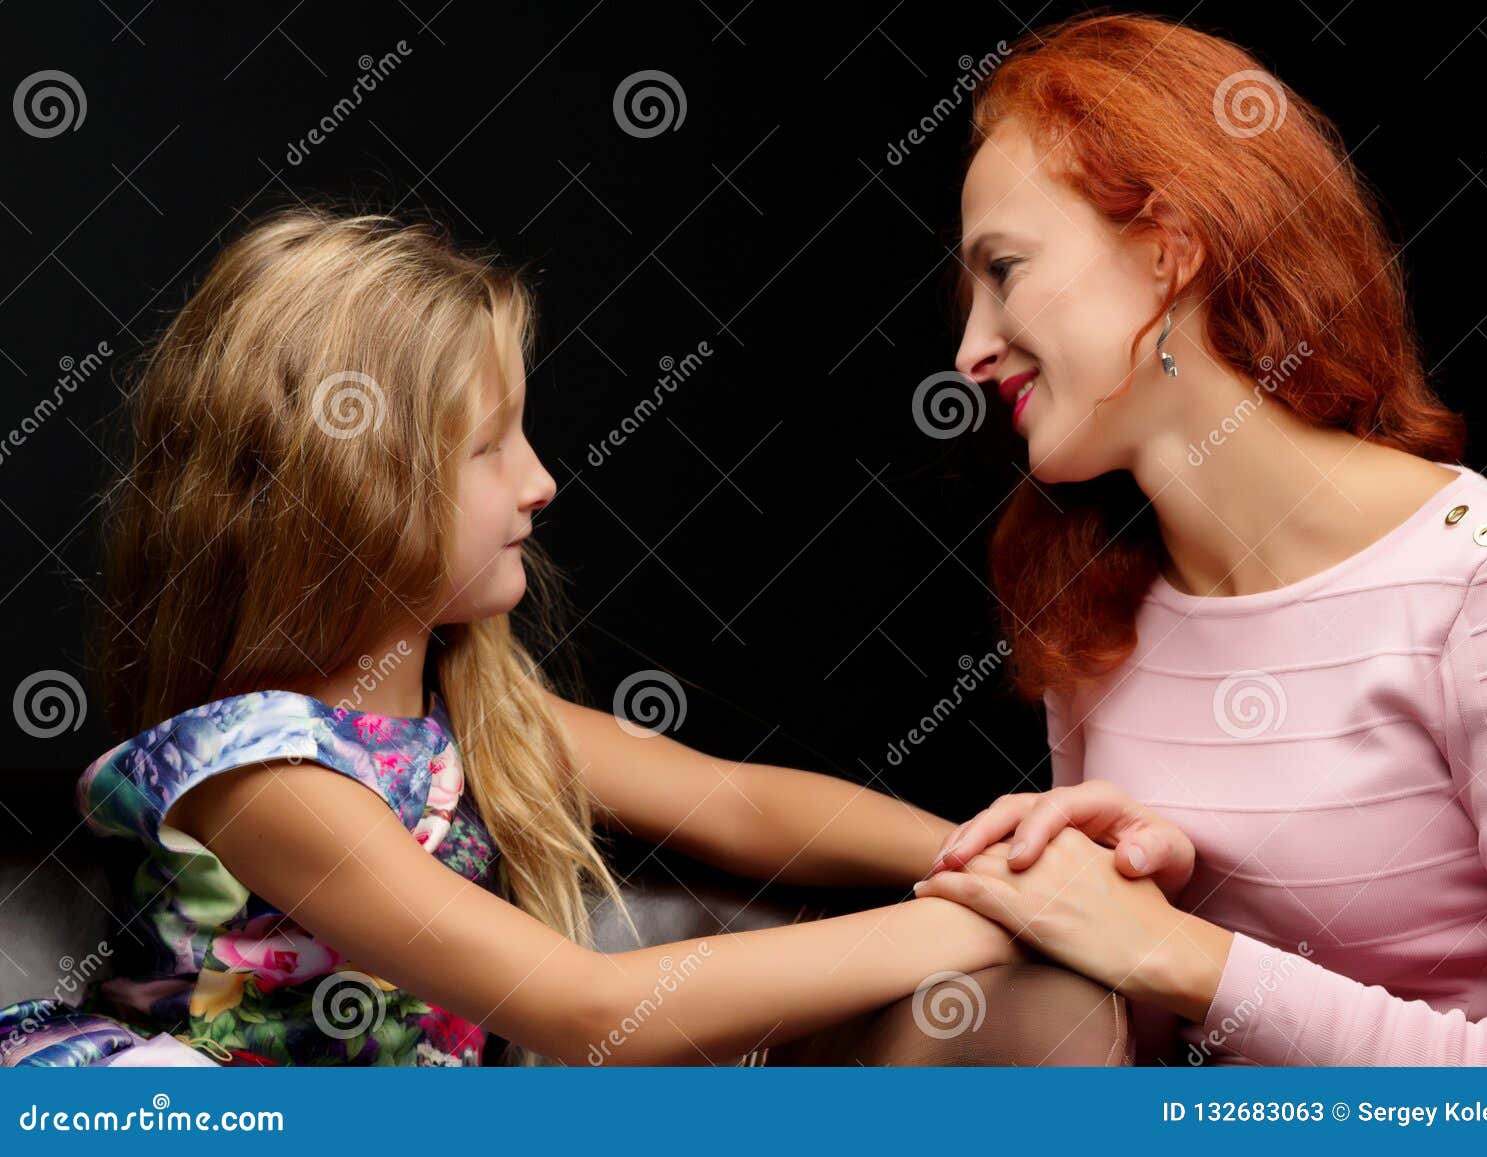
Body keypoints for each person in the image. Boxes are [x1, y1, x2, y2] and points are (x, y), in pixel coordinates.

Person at [0, 206, 1140, 1068]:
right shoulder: (258, 774)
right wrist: (986, 917)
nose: (542, 482)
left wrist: (1005, 852)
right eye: (490, 447)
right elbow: (580, 1007)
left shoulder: (468, 714)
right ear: (350, 489)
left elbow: (742, 806)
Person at [914, 11, 1487, 1066]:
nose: (969, 350)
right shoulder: (1093, 597)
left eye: (1002, 270)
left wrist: (1184, 955)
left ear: (1167, 252)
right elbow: (1131, 1050)